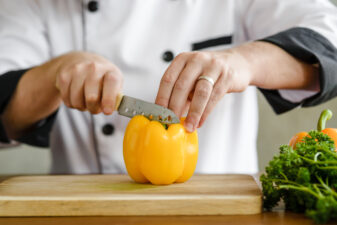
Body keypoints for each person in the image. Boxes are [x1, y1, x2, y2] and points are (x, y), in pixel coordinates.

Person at [0, 0, 337, 174]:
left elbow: (329, 40)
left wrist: (244, 62)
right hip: (83, 212)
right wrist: (52, 76)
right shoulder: (36, 3)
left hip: (219, 212)